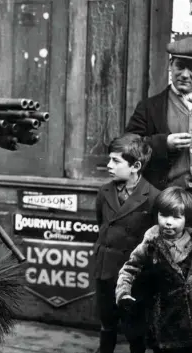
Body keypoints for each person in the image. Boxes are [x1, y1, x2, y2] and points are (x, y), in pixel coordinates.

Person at [94, 133, 161, 353]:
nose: (108, 165)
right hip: (105, 271)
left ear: (136, 166)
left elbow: (154, 241)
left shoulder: (153, 197)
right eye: (109, 159)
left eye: (116, 161)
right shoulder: (104, 192)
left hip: (133, 276)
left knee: (135, 330)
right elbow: (103, 226)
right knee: (107, 324)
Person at [116, 186, 192, 353]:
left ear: (187, 219)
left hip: (188, 321)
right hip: (161, 319)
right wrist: (124, 293)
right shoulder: (151, 242)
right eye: (163, 215)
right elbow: (129, 269)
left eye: (176, 217)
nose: (168, 222)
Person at [126, 37, 192, 191]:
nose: (185, 75)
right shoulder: (149, 107)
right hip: (165, 199)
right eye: (180, 66)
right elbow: (127, 147)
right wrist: (164, 143)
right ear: (170, 65)